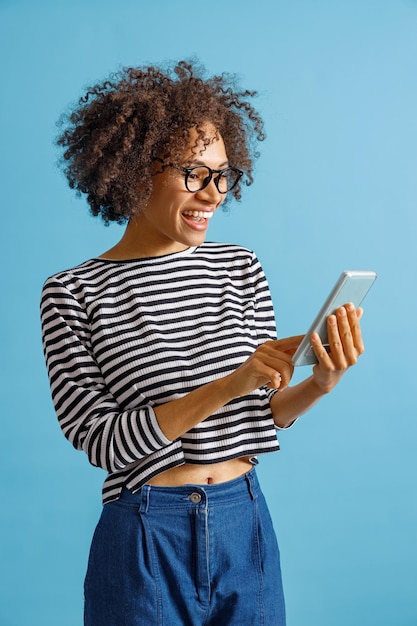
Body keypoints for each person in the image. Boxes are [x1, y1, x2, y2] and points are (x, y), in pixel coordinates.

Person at [40, 60, 365, 626]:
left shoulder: (240, 267)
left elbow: (260, 413)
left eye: (223, 174)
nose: (213, 194)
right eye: (194, 173)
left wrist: (318, 383)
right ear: (137, 171)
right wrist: (229, 383)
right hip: (145, 533)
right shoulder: (73, 293)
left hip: (245, 521)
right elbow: (103, 444)